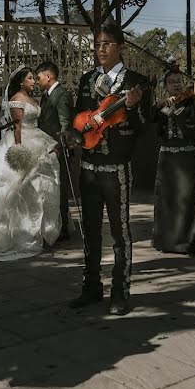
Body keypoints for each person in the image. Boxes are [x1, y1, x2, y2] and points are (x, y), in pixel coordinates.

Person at [68, 23, 151, 316]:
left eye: (106, 43)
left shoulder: (137, 82)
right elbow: (80, 117)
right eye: (97, 44)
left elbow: (143, 125)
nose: (100, 49)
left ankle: (120, 291)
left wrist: (131, 108)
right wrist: (74, 134)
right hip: (88, 167)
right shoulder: (87, 79)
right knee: (89, 230)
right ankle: (91, 287)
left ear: (120, 46)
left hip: (116, 168)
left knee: (120, 233)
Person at [0, 66, 62, 260]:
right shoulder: (17, 99)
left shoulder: (31, 98)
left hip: (38, 138)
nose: (34, 81)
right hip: (23, 141)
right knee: (19, 187)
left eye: (34, 78)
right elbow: (17, 126)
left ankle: (37, 231)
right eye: (30, 78)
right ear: (21, 81)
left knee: (40, 187)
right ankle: (18, 232)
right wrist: (18, 150)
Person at [152, 69, 195, 254]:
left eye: (179, 81)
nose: (176, 84)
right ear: (166, 86)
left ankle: (191, 242)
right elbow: (148, 118)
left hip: (187, 154)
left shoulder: (192, 101)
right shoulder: (161, 106)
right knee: (167, 198)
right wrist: (158, 104)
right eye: (172, 82)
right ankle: (167, 242)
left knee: (189, 197)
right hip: (167, 156)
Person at [35, 61, 75, 241]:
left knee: (60, 188)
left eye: (39, 77)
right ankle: (51, 225)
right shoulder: (46, 96)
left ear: (48, 76)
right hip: (45, 148)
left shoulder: (62, 95)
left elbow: (65, 124)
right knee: (49, 188)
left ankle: (63, 228)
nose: (37, 81)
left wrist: (60, 147)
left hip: (57, 150)